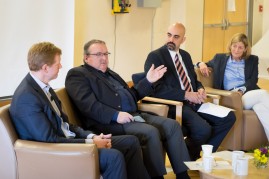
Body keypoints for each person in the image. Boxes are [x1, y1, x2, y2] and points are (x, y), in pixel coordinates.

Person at [9, 42, 150, 179]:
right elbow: (49, 140)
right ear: (45, 68)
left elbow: (66, 125)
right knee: (114, 157)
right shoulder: (27, 98)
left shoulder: (44, 87)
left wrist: (91, 137)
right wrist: (90, 143)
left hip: (68, 142)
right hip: (54, 154)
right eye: (58, 63)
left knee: (131, 142)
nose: (61, 66)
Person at [65, 39, 191, 179]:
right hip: (109, 123)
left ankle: (183, 175)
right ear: (86, 58)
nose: (104, 58)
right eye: (99, 54)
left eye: (106, 54)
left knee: (172, 125)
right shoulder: (77, 74)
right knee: (150, 132)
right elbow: (88, 105)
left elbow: (133, 95)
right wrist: (115, 115)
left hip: (134, 115)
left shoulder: (111, 74)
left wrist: (148, 81)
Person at [144, 22, 236, 161]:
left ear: (183, 40)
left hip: (195, 102)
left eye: (176, 37)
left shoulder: (185, 56)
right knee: (203, 129)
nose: (171, 40)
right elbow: (156, 89)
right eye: (169, 35)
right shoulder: (156, 56)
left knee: (229, 118)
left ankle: (200, 157)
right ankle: (188, 159)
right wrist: (187, 95)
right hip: (175, 104)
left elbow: (193, 80)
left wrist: (200, 89)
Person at [197, 33, 269, 141]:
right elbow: (201, 64)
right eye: (234, 46)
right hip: (230, 97)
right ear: (230, 46)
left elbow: (253, 80)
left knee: (261, 108)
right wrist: (201, 64)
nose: (236, 50)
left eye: (240, 47)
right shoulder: (220, 58)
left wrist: (241, 90)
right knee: (263, 94)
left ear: (245, 49)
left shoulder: (252, 60)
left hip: (246, 93)